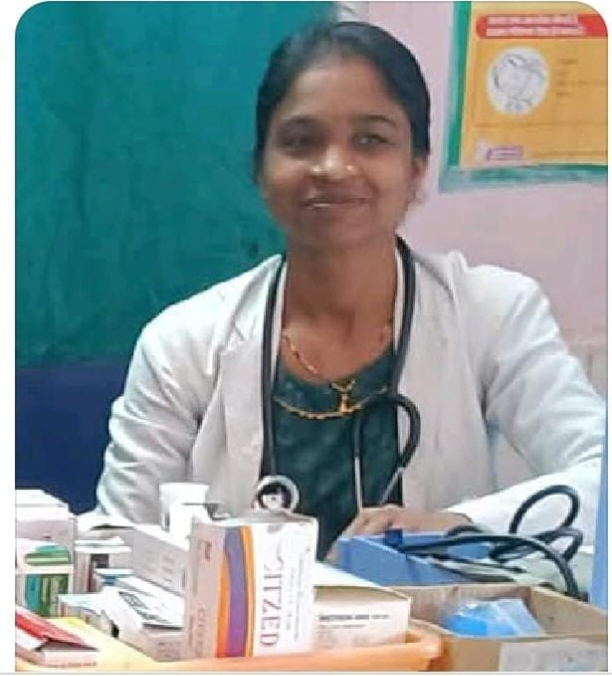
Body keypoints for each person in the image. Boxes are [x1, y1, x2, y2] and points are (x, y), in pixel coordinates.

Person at [95, 20, 604, 560]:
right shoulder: (182, 344)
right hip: (227, 618)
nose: (334, 167)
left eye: (370, 140)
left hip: (433, 617)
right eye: (301, 141)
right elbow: (115, 545)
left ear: (415, 169)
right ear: (260, 169)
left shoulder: (491, 314)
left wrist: (456, 526)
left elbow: (601, 476)